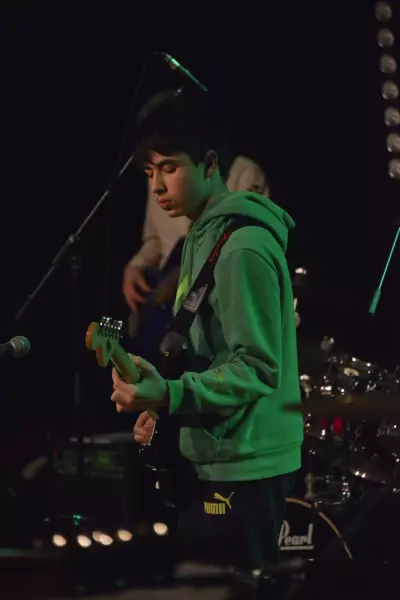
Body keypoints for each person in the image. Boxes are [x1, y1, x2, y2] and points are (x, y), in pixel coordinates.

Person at [110, 92, 303, 597]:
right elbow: (211, 352)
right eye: (150, 172)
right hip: (220, 459)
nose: (156, 186)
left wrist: (171, 394)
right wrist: (164, 401)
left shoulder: (241, 247)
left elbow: (257, 368)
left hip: (245, 464)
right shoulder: (202, 237)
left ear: (211, 164)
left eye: (170, 168)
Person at [123, 155, 270, 315]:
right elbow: (156, 240)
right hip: (168, 311)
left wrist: (187, 273)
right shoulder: (156, 174)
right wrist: (136, 267)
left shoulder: (243, 172)